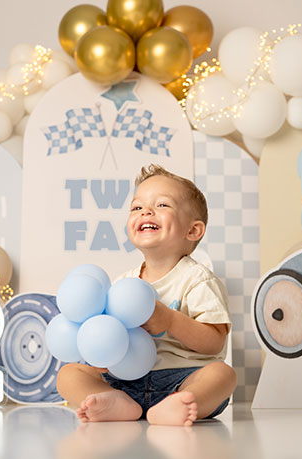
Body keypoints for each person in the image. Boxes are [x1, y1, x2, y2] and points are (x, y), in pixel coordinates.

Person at [57, 164, 236, 426]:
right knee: (68, 374)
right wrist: (103, 357)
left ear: (193, 231)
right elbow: (107, 334)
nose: (146, 212)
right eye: (137, 207)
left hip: (183, 377)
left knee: (222, 375)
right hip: (126, 381)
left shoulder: (198, 279)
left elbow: (214, 343)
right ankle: (115, 401)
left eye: (162, 205)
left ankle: (178, 403)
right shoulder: (123, 284)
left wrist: (171, 321)